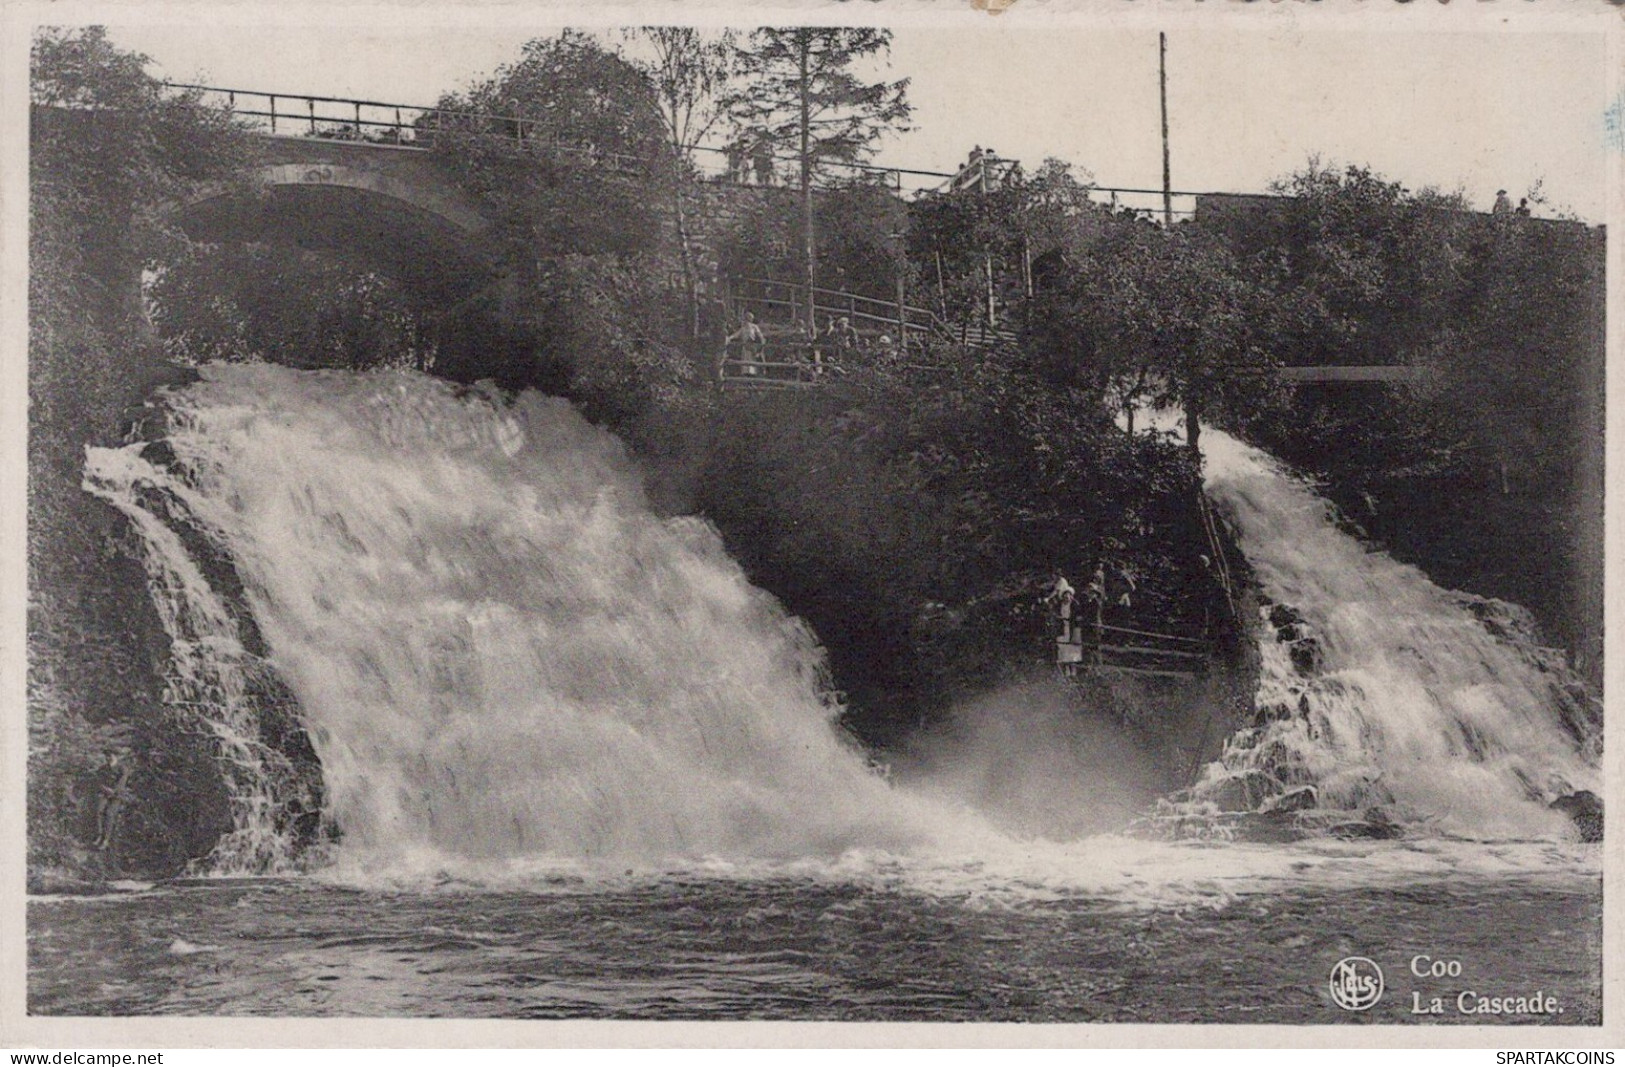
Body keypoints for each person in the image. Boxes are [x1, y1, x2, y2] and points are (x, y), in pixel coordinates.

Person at [724, 311, 766, 376]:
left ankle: (752, 377)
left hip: (752, 346)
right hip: (745, 347)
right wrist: (729, 338)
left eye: (749, 318)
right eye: (747, 318)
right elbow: (736, 334)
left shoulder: (754, 327)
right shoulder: (743, 327)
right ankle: (746, 376)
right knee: (745, 364)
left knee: (752, 363)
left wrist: (759, 344)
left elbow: (759, 335)